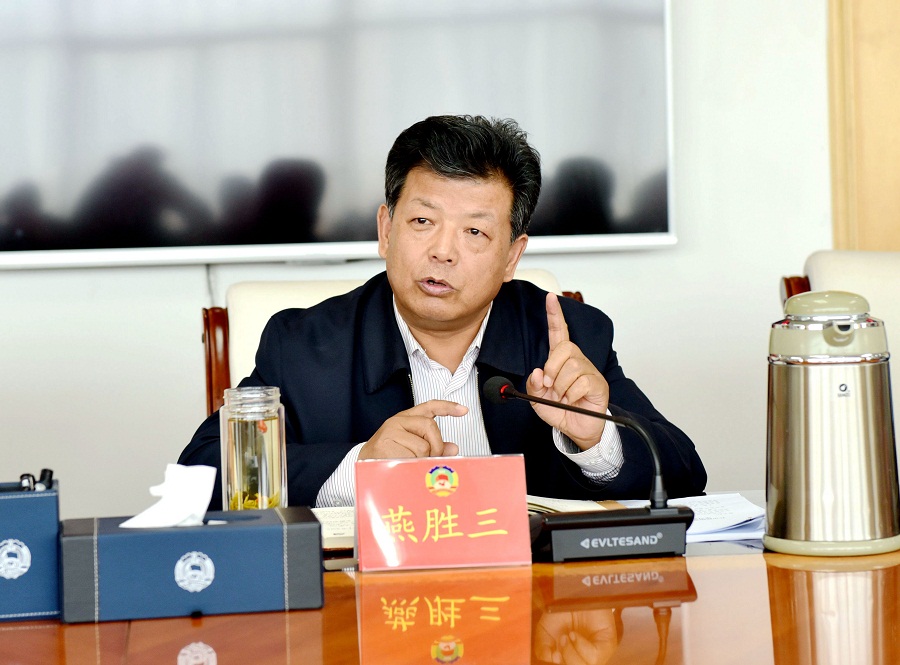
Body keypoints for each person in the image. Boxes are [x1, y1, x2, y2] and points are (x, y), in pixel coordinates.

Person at [179, 114, 706, 509]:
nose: (443, 252)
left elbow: (685, 474)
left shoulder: (567, 338)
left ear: (512, 256)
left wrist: (596, 436)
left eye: (475, 231)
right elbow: (203, 474)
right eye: (423, 222)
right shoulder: (304, 344)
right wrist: (361, 465)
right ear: (386, 230)